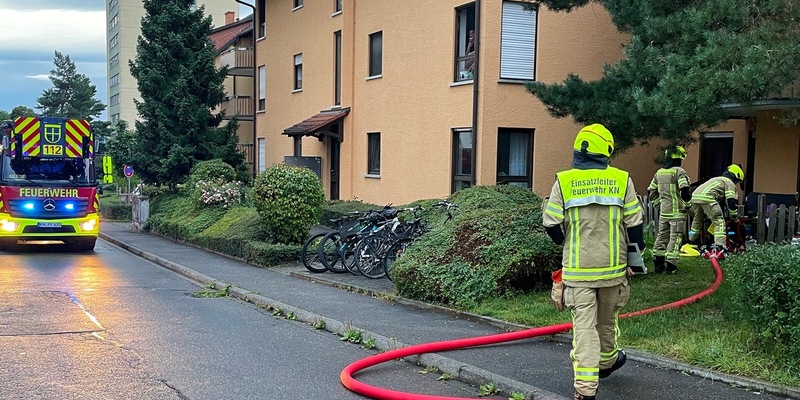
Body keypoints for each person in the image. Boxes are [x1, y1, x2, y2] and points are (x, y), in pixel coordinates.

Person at [543, 123, 645, 400]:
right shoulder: (622, 179)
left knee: (585, 329)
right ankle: (608, 362)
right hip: (613, 270)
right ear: (607, 150)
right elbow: (635, 226)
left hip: (578, 273)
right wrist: (634, 262)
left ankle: (586, 391)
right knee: (607, 320)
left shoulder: (564, 181)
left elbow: (551, 223)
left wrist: (567, 241)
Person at [647, 145, 692, 273]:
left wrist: (658, 205)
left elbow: (651, 191)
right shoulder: (679, 172)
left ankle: (658, 264)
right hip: (677, 213)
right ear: (679, 158)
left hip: (664, 213)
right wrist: (687, 205)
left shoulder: (659, 172)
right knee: (675, 238)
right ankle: (671, 266)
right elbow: (685, 191)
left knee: (661, 237)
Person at [688, 164, 744, 252]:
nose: (736, 183)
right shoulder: (729, 182)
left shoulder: (717, 179)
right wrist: (734, 217)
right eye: (737, 181)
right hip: (707, 198)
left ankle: (691, 241)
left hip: (695, 197)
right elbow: (731, 201)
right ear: (736, 176)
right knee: (719, 222)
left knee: (697, 220)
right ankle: (720, 247)